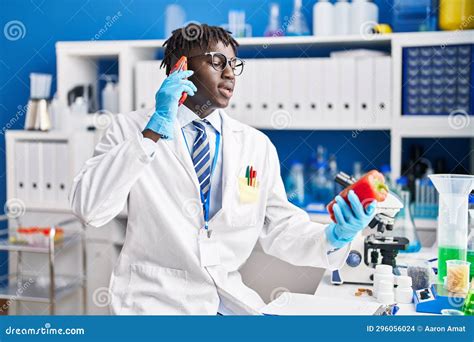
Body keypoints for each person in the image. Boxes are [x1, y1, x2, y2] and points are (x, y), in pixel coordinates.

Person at [70, 23, 377, 315]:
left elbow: (280, 228)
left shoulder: (255, 146)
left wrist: (335, 236)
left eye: (234, 64)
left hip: (227, 303)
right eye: (218, 62)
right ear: (182, 67)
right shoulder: (130, 130)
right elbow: (90, 208)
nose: (230, 73)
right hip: (153, 304)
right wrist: (151, 134)